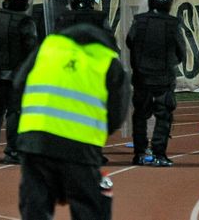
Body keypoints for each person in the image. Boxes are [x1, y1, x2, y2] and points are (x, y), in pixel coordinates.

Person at [14, 23, 130, 219]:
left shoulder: (49, 46)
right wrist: (95, 132)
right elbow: (117, 113)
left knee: (35, 208)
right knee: (90, 207)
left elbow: (19, 84)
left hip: (35, 141)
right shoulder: (107, 60)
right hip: (81, 147)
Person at [126, 0, 185, 167]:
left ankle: (140, 154)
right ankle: (159, 154)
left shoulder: (139, 21)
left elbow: (130, 41)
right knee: (163, 115)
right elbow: (181, 50)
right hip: (163, 79)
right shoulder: (173, 24)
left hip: (142, 77)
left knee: (140, 116)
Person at [0, 0, 38, 164]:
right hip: (17, 76)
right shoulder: (26, 22)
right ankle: (12, 151)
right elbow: (31, 49)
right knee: (14, 114)